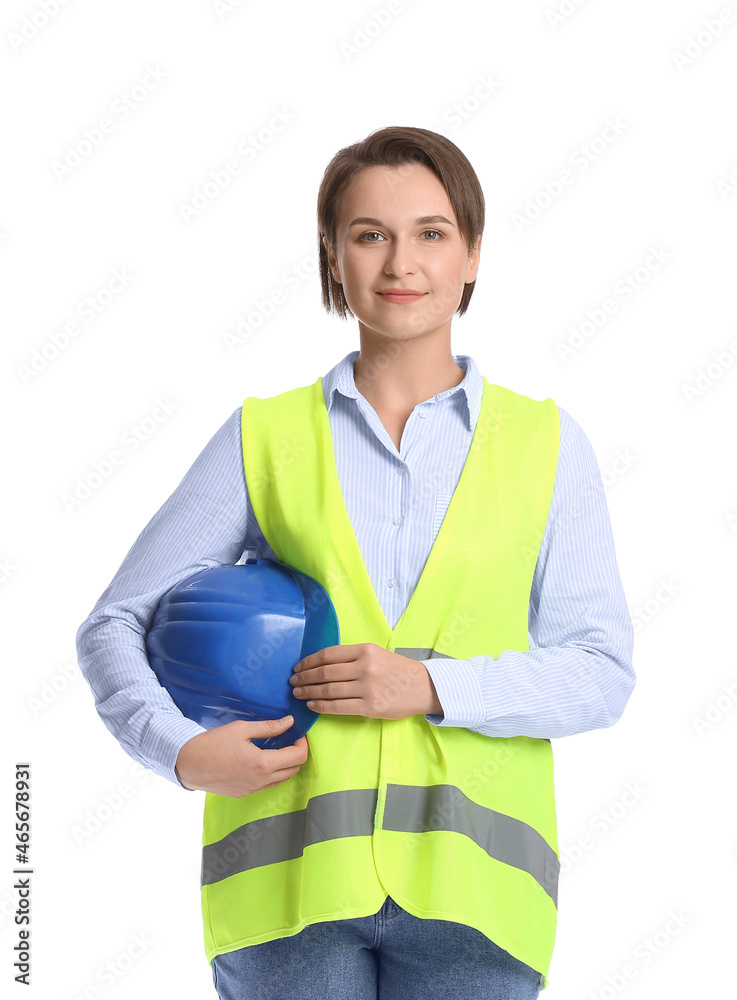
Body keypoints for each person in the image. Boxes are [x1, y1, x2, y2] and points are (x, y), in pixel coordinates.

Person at [76, 125, 636, 999]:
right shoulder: (266, 436)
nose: (399, 261)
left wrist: (432, 687)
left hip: (477, 905)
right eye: (368, 234)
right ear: (332, 260)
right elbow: (115, 622)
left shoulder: (547, 446)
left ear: (473, 254)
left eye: (431, 232)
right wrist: (181, 753)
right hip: (286, 893)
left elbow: (600, 673)